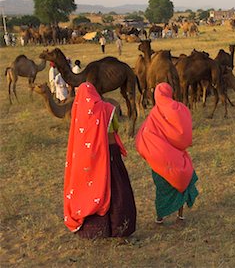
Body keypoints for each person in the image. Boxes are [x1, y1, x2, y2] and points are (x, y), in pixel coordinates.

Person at [64, 82, 136, 238]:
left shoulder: (78, 113)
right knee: (117, 189)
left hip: (89, 160)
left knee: (92, 189)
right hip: (111, 153)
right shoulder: (107, 108)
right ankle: (119, 227)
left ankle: (96, 230)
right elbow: (115, 127)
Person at [136, 83, 198, 224]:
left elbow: (144, 135)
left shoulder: (153, 114)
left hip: (159, 160)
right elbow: (185, 136)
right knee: (181, 181)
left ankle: (160, 217)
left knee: (162, 188)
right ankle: (180, 216)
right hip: (176, 158)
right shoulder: (180, 109)